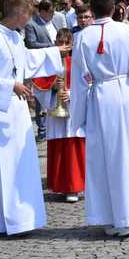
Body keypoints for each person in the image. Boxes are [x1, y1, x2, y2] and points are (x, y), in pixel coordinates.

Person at [0, 0, 70, 235]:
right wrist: (10, 86)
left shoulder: (15, 37)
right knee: (1, 166)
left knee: (20, 165)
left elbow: (26, 60)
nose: (30, 19)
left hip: (16, 111)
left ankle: (22, 218)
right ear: (18, 13)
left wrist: (56, 52)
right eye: (28, 14)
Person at [70, 0, 129, 237]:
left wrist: (77, 117)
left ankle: (122, 217)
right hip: (127, 95)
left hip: (100, 98)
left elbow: (78, 81)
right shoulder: (127, 30)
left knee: (108, 158)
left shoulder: (82, 37)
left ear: (93, 8)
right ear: (113, 9)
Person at [32, 29, 85, 203]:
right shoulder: (48, 63)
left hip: (73, 110)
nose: (62, 46)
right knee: (58, 148)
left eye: (65, 42)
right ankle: (60, 185)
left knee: (73, 147)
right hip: (55, 110)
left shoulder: (78, 62)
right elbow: (39, 88)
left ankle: (74, 186)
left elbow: (87, 84)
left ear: (71, 44)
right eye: (59, 42)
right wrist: (52, 88)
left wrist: (71, 94)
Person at [25, 0, 65, 141]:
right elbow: (31, 43)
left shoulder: (54, 22)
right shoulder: (31, 24)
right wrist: (53, 47)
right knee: (41, 97)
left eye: (54, 11)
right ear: (41, 11)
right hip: (42, 66)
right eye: (50, 12)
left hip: (57, 62)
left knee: (56, 93)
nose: (53, 14)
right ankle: (42, 128)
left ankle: (55, 121)